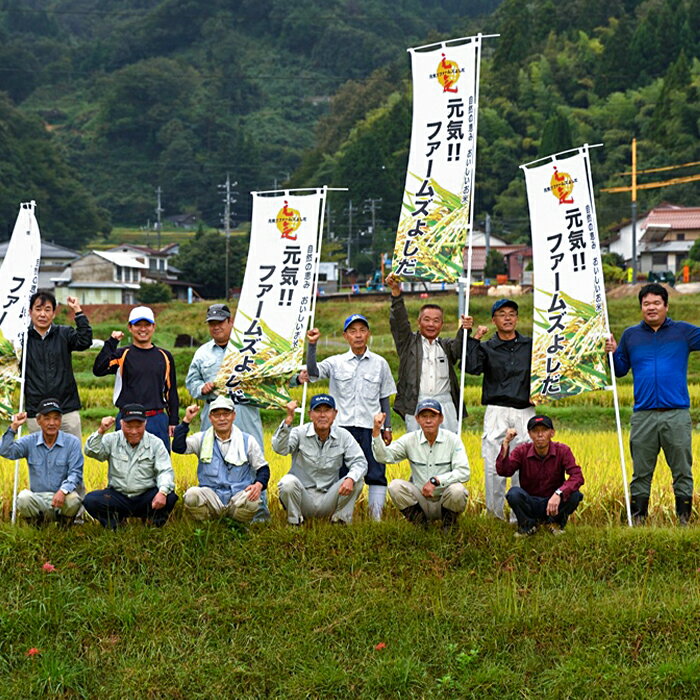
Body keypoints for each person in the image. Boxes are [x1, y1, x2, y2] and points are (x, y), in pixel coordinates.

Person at [605, 283, 700, 524]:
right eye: (646, 303)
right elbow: (620, 371)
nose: (651, 308)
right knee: (641, 473)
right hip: (643, 415)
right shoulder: (630, 335)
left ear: (666, 306)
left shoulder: (683, 332)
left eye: (657, 303)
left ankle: (683, 521)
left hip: (676, 414)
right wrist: (612, 353)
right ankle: (638, 520)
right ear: (641, 308)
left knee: (682, 470)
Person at [305, 314, 396, 520]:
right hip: (342, 429)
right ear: (345, 336)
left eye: (362, 330)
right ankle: (342, 518)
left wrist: (387, 428)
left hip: (370, 428)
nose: (358, 335)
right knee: (343, 474)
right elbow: (312, 372)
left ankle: (376, 519)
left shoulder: (380, 363)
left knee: (376, 473)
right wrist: (312, 345)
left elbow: (384, 399)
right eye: (353, 331)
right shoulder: (336, 362)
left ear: (369, 334)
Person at [464, 299, 535, 520]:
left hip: (525, 410)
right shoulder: (487, 347)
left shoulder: (531, 345)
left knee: (524, 464)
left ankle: (520, 517)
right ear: (494, 319)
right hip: (497, 410)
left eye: (512, 313)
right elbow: (472, 368)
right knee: (495, 463)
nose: (507, 318)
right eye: (502, 314)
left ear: (517, 318)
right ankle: (494, 516)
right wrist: (473, 338)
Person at [386, 273, 469, 433]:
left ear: (442, 324)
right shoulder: (408, 343)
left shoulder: (446, 346)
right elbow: (399, 322)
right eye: (427, 319)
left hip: (446, 405)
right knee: (417, 451)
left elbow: (459, 349)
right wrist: (396, 293)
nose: (431, 324)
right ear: (419, 322)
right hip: (416, 403)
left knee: (448, 451)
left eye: (436, 320)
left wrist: (465, 330)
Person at [371, 399, 469, 528]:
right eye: (424, 416)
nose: (428, 421)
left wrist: (436, 481)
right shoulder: (409, 440)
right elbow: (383, 457)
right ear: (417, 419)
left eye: (433, 416)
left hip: (444, 499)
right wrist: (377, 431)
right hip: (421, 499)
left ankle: (449, 526)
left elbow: (464, 472)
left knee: (458, 490)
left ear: (441, 418)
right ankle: (421, 526)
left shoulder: (453, 440)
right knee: (395, 486)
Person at [272, 394, 367, 525]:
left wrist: (350, 479)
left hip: (330, 497)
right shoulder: (299, 432)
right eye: (318, 410)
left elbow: (360, 462)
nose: (322, 415)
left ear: (334, 414)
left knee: (357, 480)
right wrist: (288, 420)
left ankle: (340, 521)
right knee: (287, 482)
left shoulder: (343, 436)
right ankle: (295, 522)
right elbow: (279, 449)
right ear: (310, 414)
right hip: (303, 497)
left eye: (327, 410)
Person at [93, 305, 178, 451]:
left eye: (147, 325)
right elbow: (99, 369)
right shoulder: (122, 355)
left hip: (156, 419)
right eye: (138, 325)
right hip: (127, 419)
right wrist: (111, 342)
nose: (142, 329)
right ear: (130, 327)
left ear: (153, 327)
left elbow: (170, 391)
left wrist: (173, 420)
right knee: (123, 467)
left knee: (160, 468)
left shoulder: (164, 356)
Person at [173, 397, 270, 523]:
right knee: (192, 495)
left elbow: (263, 469)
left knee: (252, 500)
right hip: (211, 498)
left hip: (237, 498)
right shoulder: (201, 439)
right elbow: (178, 447)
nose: (222, 418)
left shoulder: (248, 440)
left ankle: (238, 527)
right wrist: (186, 421)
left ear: (233, 415)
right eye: (217, 415)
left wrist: (258, 485)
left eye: (226, 414)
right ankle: (208, 525)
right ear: (210, 418)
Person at [83, 403, 178, 528]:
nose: (134, 432)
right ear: (121, 424)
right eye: (129, 426)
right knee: (91, 500)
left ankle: (154, 523)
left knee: (170, 497)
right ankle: (115, 524)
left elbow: (165, 471)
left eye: (138, 426)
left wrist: (163, 492)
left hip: (146, 496)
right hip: (118, 495)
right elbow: (91, 451)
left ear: (145, 424)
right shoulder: (112, 439)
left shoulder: (156, 443)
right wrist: (101, 430)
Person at [185, 303, 264, 448]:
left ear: (230, 322)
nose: (216, 327)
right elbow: (192, 382)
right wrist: (202, 388)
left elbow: (269, 373)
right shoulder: (202, 353)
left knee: (250, 456)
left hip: (243, 410)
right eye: (212, 323)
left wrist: (296, 378)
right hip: (214, 412)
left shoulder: (249, 348)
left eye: (220, 322)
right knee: (212, 460)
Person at [496, 415, 584, 536]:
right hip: (531, 502)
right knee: (513, 493)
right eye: (535, 431)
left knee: (575, 494)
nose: (540, 435)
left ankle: (555, 523)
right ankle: (527, 525)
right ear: (529, 434)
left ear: (552, 433)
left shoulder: (563, 450)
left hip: (554, 503)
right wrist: (505, 443)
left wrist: (559, 493)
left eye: (544, 430)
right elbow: (504, 471)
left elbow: (577, 476)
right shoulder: (522, 451)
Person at [0, 398, 83, 525]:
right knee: (23, 498)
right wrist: (14, 427)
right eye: (47, 418)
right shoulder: (29, 441)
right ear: (38, 421)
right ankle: (37, 525)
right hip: (38, 498)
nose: (52, 423)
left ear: (60, 421)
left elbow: (76, 473)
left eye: (56, 418)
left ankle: (64, 527)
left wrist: (63, 491)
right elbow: (5, 451)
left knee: (74, 500)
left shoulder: (72, 442)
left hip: (62, 496)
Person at [25, 290, 92, 440]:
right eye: (38, 309)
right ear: (30, 312)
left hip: (66, 409)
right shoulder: (23, 339)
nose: (42, 314)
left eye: (47, 310)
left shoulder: (64, 333)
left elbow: (85, 341)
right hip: (36, 411)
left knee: (72, 457)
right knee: (39, 459)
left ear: (54, 313)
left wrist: (78, 311)